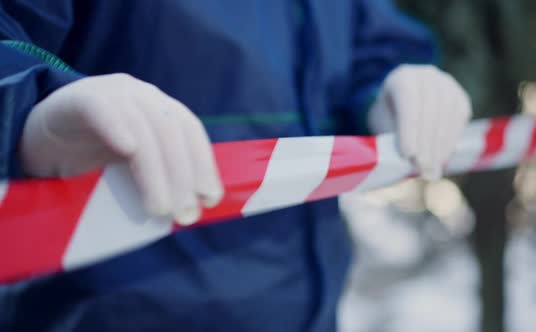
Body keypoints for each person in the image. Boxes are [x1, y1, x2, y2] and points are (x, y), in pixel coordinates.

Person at [0, 1, 471, 331]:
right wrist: (32, 104)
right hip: (102, 314)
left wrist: (386, 90)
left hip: (312, 310)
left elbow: (369, 43)